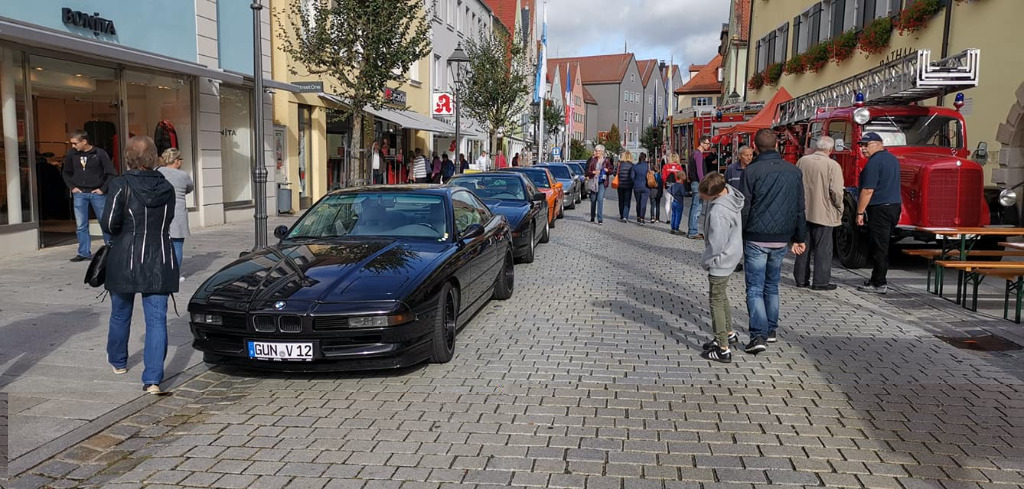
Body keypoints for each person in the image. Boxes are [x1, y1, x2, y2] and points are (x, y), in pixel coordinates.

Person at [100, 136, 177, 395]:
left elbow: (109, 223)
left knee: (120, 313)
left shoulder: (120, 184)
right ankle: (153, 379)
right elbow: (168, 219)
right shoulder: (167, 186)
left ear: (128, 157)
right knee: (157, 320)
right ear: (154, 157)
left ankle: (118, 361)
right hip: (160, 256)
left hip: (125, 256)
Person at [739, 129, 807, 354]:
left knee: (755, 288)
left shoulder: (751, 171)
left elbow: (744, 207)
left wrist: (740, 234)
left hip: (756, 237)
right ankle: (771, 330)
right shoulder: (793, 171)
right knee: (771, 286)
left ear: (755, 147)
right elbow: (799, 208)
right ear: (777, 145)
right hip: (781, 238)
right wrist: (799, 237)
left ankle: (758, 334)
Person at [699, 171, 745, 363]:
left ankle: (722, 347)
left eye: (703, 195)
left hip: (721, 259)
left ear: (714, 194)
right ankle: (728, 333)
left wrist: (706, 260)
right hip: (732, 254)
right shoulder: (731, 197)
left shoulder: (719, 211)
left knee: (715, 301)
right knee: (722, 296)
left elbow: (716, 243)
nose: (701, 197)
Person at [794, 136, 844, 290]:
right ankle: (820, 282)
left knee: (803, 245)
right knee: (823, 249)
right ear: (830, 149)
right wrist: (839, 206)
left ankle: (801, 279)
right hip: (824, 212)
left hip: (803, 210)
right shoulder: (833, 165)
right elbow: (836, 191)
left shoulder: (802, 161)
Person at [855, 132, 902, 294]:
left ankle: (879, 283)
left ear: (878, 144)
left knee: (879, 247)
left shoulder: (874, 162)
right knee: (882, 244)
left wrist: (859, 212)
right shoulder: (892, 159)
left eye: (866, 145)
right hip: (893, 206)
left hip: (880, 208)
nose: (863, 148)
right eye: (861, 145)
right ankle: (877, 278)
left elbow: (868, 190)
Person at [63, 130, 115, 262]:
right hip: (80, 193)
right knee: (81, 225)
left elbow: (111, 173)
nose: (73, 146)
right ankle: (83, 252)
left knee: (104, 223)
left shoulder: (99, 153)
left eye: (75, 143)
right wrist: (72, 187)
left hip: (97, 193)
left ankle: (111, 251)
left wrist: (102, 189)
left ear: (84, 141)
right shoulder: (72, 154)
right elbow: (66, 172)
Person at [157, 148, 194, 279]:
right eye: (180, 159)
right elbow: (189, 188)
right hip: (178, 212)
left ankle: (160, 272)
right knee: (177, 244)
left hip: (160, 211)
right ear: (176, 161)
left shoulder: (157, 172)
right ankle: (174, 276)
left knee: (161, 244)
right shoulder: (183, 175)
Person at [686, 136, 712, 239]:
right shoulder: (699, 155)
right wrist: (703, 183)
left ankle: (692, 230)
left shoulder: (694, 154)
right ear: (701, 143)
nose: (708, 145)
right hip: (698, 183)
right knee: (697, 208)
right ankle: (693, 232)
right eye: (707, 143)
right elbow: (699, 171)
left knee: (694, 207)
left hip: (694, 183)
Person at [586, 144, 614, 224]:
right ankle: (592, 217)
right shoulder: (592, 160)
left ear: (602, 152)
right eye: (596, 150)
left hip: (602, 182)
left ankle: (600, 219)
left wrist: (607, 170)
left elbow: (611, 170)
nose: (597, 152)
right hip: (594, 182)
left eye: (598, 151)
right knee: (593, 200)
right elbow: (588, 171)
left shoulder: (606, 161)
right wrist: (593, 172)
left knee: (600, 199)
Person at [630, 153, 651, 224]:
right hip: (646, 186)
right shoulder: (647, 166)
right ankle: (642, 218)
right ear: (645, 158)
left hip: (637, 186)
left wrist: (635, 182)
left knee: (638, 202)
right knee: (643, 203)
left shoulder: (635, 166)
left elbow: (632, 177)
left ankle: (638, 217)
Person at [662, 153, 683, 220]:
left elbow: (663, 177)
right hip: (677, 186)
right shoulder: (679, 167)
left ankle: (668, 218)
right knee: (674, 202)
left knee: (667, 201)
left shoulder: (665, 166)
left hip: (667, 186)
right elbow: (681, 177)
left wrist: (665, 183)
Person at [615, 151, 634, 222]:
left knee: (621, 200)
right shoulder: (632, 165)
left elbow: (614, 173)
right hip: (628, 185)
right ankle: (625, 216)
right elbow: (633, 176)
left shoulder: (619, 165)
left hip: (620, 185)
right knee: (627, 201)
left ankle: (621, 215)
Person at [649, 158, 664, 223]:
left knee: (652, 205)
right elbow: (661, 185)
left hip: (652, 191)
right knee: (658, 205)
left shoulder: (651, 175)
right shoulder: (660, 176)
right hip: (658, 192)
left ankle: (652, 217)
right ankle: (657, 218)